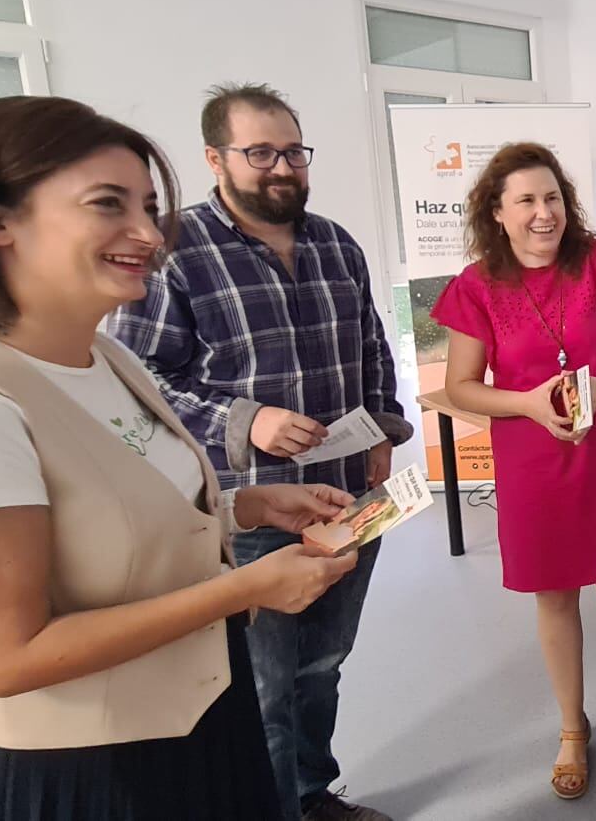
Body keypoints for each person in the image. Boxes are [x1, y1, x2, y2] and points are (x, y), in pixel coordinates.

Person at [0, 96, 360, 820]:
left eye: (149, 207)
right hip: (90, 770)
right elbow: (6, 658)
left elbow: (107, 507)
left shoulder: (100, 358)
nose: (148, 233)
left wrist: (244, 505)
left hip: (197, 714)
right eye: (107, 205)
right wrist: (244, 588)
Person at [110, 83, 410, 821]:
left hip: (351, 496)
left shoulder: (337, 243)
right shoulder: (172, 253)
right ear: (215, 158)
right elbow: (136, 383)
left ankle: (311, 794)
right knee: (267, 687)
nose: (283, 168)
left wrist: (382, 429)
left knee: (325, 665)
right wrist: (246, 421)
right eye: (261, 153)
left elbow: (371, 346)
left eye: (294, 152)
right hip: (250, 509)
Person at [428, 142, 596, 818]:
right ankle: (573, 731)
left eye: (552, 197)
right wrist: (524, 403)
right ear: (497, 212)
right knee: (554, 603)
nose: (543, 213)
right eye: (525, 200)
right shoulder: (475, 287)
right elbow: (459, 386)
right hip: (532, 459)